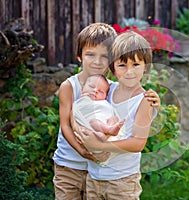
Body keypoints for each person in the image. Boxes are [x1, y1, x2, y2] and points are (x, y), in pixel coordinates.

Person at [52, 23, 160, 200]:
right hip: (71, 161)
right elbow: (66, 124)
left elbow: (134, 105)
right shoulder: (70, 86)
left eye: (104, 56)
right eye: (90, 55)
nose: (97, 61)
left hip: (95, 168)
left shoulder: (109, 89)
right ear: (79, 56)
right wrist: (84, 151)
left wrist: (155, 103)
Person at [72, 74, 125, 140]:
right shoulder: (82, 101)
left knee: (114, 118)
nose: (95, 90)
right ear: (82, 88)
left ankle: (108, 130)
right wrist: (84, 98)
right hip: (90, 126)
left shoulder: (104, 103)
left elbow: (110, 112)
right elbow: (76, 112)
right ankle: (107, 130)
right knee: (94, 122)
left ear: (105, 97)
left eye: (101, 91)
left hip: (105, 124)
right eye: (91, 86)